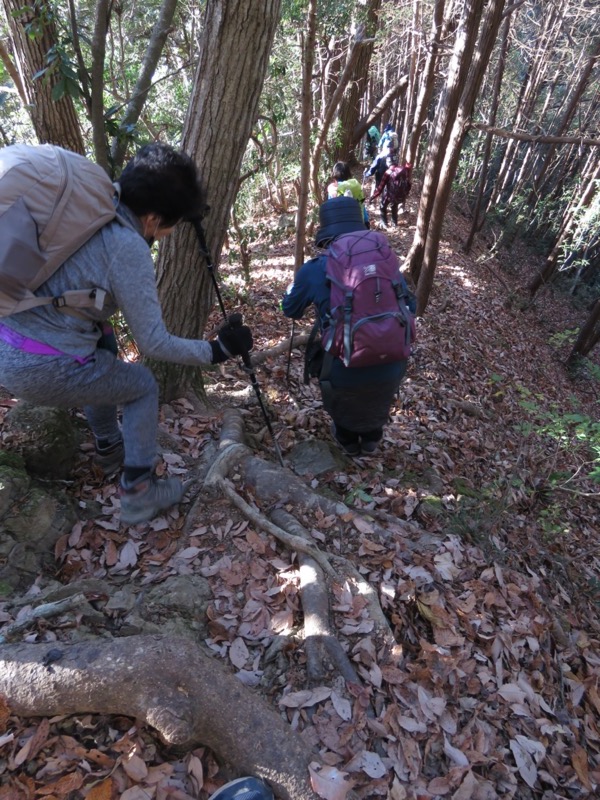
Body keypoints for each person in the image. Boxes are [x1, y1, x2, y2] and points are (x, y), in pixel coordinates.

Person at [0, 142, 253, 525]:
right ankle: (139, 492)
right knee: (141, 385)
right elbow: (154, 342)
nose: (169, 233)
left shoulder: (90, 209)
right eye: (172, 224)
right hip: (41, 365)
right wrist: (216, 351)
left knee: (105, 345)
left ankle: (108, 445)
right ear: (152, 219)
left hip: (10, 342)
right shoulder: (127, 245)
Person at [281, 196, 415, 457]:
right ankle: (372, 438)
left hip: (343, 367)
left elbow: (290, 310)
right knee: (378, 394)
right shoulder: (386, 263)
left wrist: (292, 290)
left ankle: (347, 441)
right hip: (393, 361)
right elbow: (411, 304)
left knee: (338, 386)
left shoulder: (314, 270)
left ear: (326, 235)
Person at [371, 160, 413, 229]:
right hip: (399, 196)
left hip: (388, 195)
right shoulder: (403, 170)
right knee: (394, 208)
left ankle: (384, 223)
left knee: (382, 207)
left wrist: (373, 197)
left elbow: (381, 187)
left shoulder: (388, 172)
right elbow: (408, 183)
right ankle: (394, 224)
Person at [326, 161, 369, 227]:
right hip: (359, 223)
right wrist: (366, 221)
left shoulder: (333, 191)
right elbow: (362, 205)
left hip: (341, 227)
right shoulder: (356, 186)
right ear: (349, 174)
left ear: (334, 176)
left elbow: (331, 213)